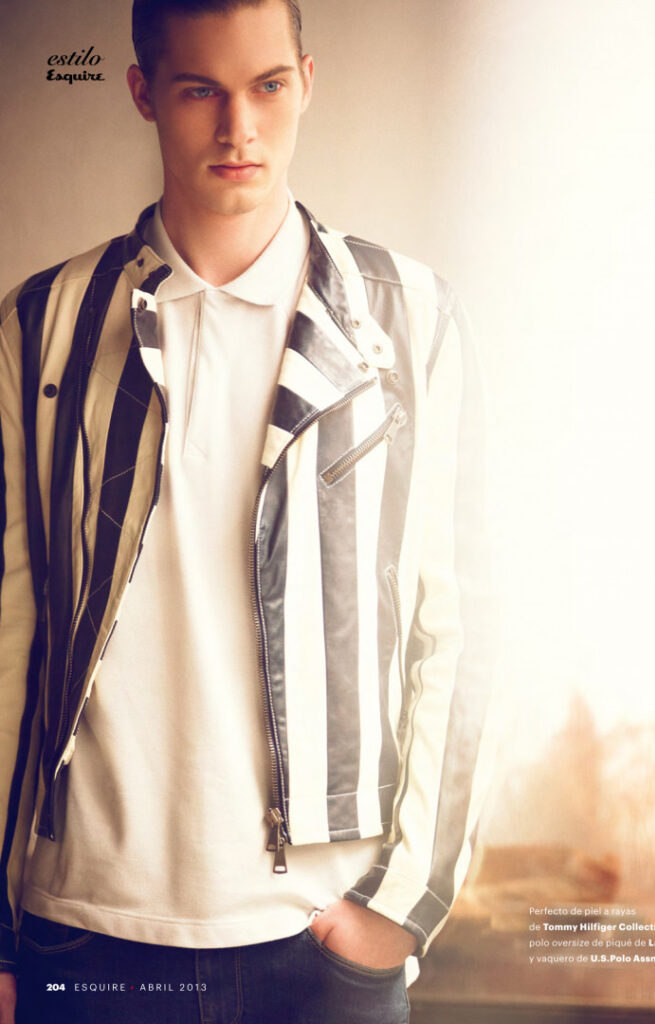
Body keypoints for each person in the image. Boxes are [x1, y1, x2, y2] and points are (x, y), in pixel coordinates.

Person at [0, 0, 493, 1021]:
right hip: (84, 931)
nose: (239, 128)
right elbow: (8, 632)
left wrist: (398, 910)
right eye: (201, 91)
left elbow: (461, 626)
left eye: (267, 86)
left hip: (321, 945)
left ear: (306, 82)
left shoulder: (409, 320)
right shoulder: (41, 326)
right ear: (144, 93)